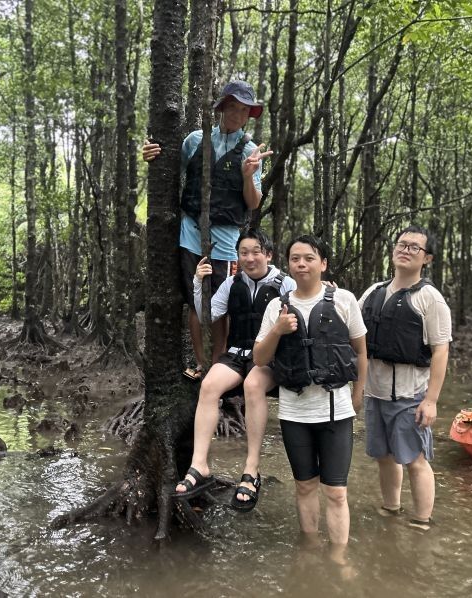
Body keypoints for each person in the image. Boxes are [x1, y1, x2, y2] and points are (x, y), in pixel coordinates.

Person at [142, 80, 273, 380]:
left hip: (227, 240)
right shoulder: (195, 140)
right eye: (233, 108)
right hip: (190, 232)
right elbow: (167, 170)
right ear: (222, 108)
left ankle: (218, 363)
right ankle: (201, 363)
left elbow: (252, 203)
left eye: (244, 110)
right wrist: (149, 153)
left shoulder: (251, 151)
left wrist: (247, 175)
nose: (237, 115)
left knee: (219, 303)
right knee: (195, 298)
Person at [253, 235, 368, 555]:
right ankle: (311, 547)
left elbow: (361, 352)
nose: (301, 264)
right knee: (304, 486)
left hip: (336, 410)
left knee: (336, 492)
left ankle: (338, 558)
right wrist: (277, 330)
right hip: (295, 413)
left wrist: (358, 395)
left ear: (323, 264)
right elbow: (260, 359)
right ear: (288, 264)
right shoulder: (277, 306)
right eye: (295, 259)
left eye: (308, 258)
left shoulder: (344, 300)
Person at [173, 228, 296, 511]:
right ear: (237, 257)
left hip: (267, 359)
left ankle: (251, 471)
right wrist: (197, 283)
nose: (250, 258)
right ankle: (199, 464)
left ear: (268, 254)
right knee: (209, 385)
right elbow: (207, 316)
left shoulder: (285, 284)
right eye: (243, 253)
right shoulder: (232, 283)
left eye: (256, 252)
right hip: (237, 354)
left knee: (254, 386)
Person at [358, 225, 451, 532]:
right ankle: (391, 508)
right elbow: (353, 328)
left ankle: (422, 521)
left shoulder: (431, 299)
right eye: (402, 244)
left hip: (410, 395)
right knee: (384, 456)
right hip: (375, 390)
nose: (406, 250)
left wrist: (432, 400)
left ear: (427, 258)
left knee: (415, 460)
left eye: (414, 247)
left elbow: (440, 350)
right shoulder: (374, 292)